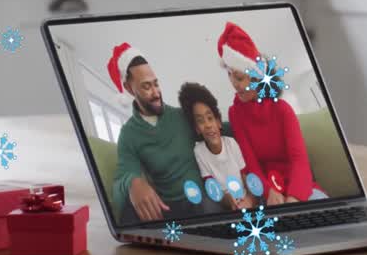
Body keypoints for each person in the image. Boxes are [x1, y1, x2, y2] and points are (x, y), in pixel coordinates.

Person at [106, 43, 226, 224]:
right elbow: (122, 177)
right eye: (146, 87)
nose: (156, 93)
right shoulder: (128, 134)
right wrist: (133, 183)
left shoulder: (181, 116)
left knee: (208, 208)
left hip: (202, 198)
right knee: (128, 216)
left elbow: (216, 127)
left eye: (156, 84)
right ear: (130, 89)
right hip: (169, 206)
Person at [217, 21, 329, 205]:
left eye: (239, 77)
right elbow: (249, 161)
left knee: (322, 211)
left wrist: (294, 197)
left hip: (298, 185)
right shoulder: (236, 113)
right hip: (267, 189)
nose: (234, 84)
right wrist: (269, 191)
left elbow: (299, 160)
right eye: (229, 75)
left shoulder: (282, 110)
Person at [177, 82, 258, 211]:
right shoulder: (199, 151)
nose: (208, 125)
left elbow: (245, 176)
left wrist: (249, 199)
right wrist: (228, 200)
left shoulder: (231, 143)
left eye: (210, 118)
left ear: (219, 122)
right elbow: (211, 186)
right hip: (224, 203)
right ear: (197, 129)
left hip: (245, 198)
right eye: (200, 121)